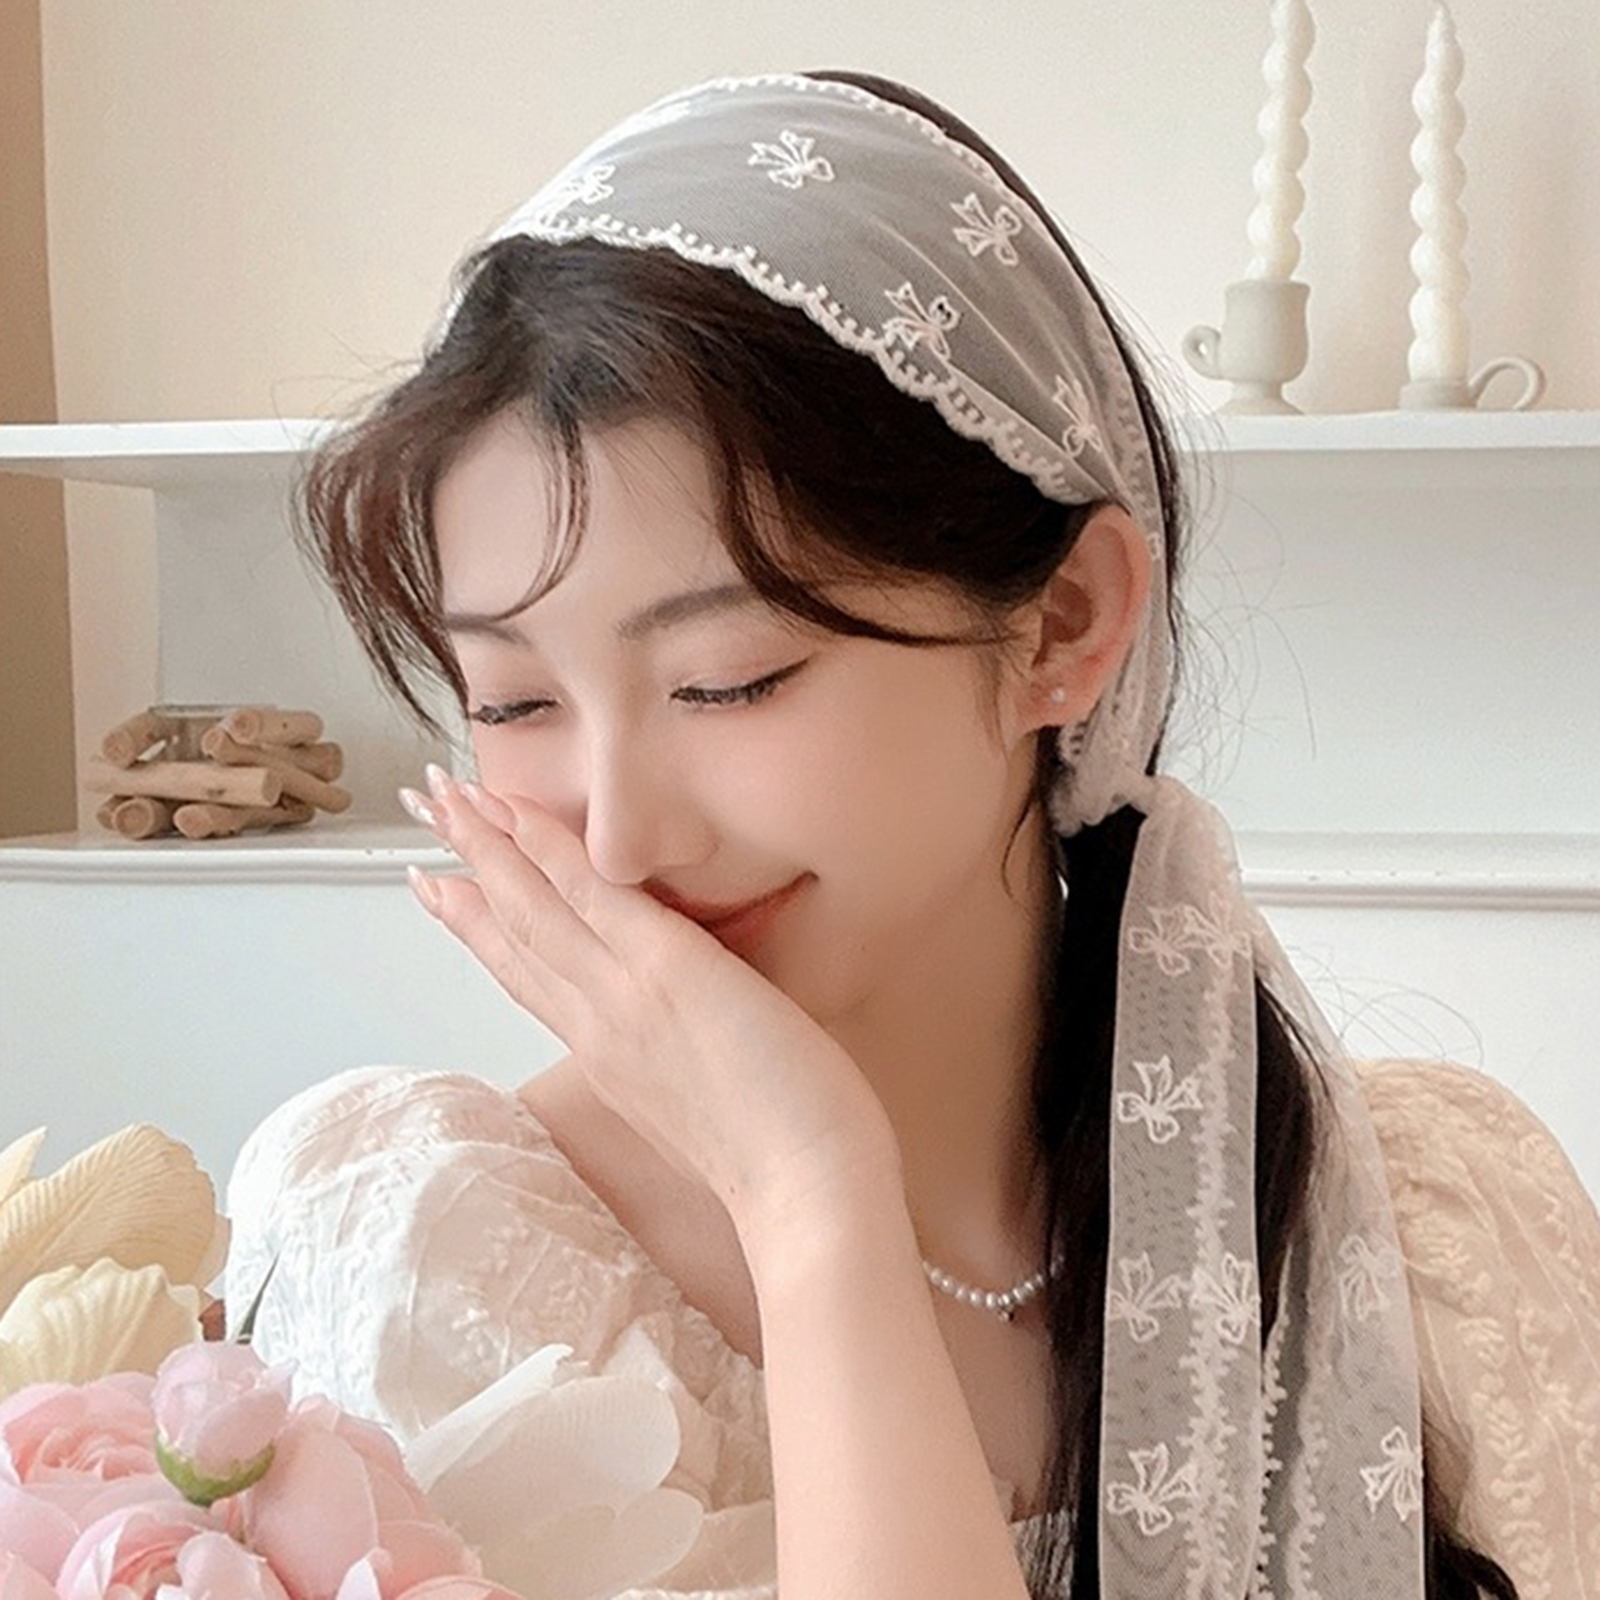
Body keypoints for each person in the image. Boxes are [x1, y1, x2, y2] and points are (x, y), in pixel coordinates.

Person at [226, 71, 1600, 1599]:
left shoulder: (1431, 1224)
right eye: (514, 703)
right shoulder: (432, 1249)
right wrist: (807, 1189)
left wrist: (816, 1204)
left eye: (726, 679)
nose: (615, 840)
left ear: (1061, 627)